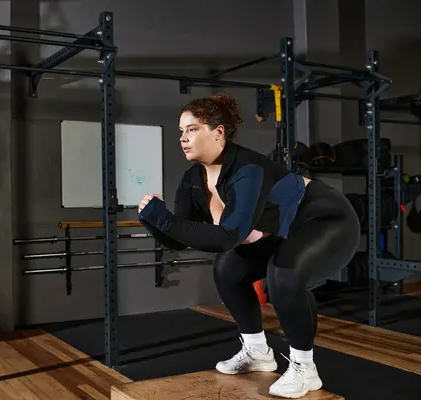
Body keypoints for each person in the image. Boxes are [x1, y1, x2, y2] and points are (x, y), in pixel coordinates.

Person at [137, 93, 360, 399]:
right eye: (181, 132)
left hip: (325, 219)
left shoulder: (248, 169)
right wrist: (152, 220)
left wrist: (164, 220)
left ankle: (305, 369)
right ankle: (257, 352)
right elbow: (178, 238)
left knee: (284, 274)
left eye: (191, 129)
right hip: (281, 231)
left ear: (218, 132)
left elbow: (227, 236)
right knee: (227, 270)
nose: (183, 138)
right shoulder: (192, 180)